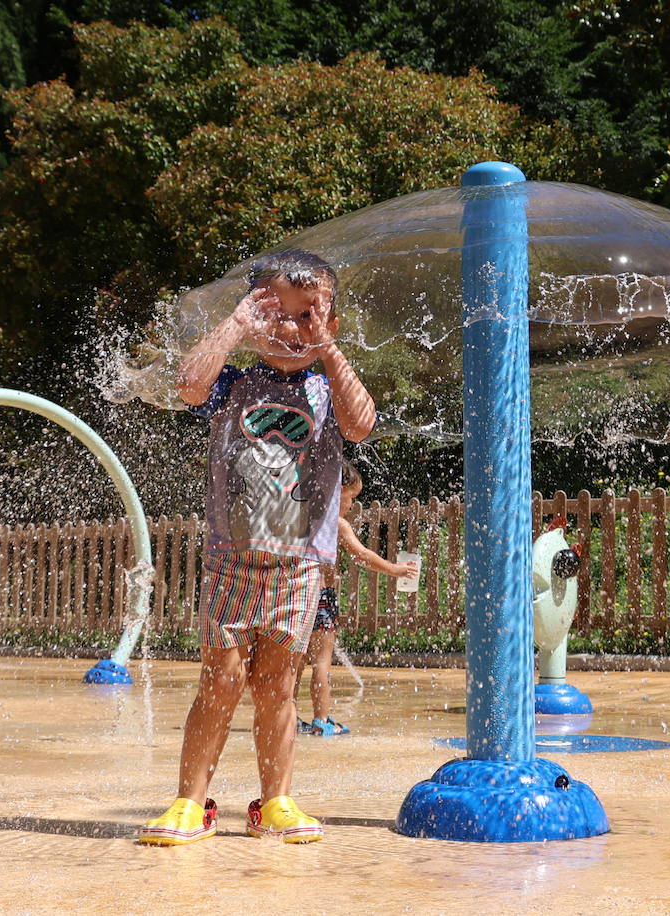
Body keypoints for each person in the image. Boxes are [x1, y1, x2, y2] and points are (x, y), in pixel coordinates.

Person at [138, 250, 375, 847]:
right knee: (220, 680)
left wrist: (329, 349)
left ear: (329, 324)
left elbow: (362, 424)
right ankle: (191, 801)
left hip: (297, 565)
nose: (290, 328)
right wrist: (236, 324)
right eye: (276, 313)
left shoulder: (326, 387)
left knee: (277, 687)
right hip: (232, 558)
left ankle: (276, 800)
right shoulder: (232, 385)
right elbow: (187, 385)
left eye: (306, 316)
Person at [295, 460, 418, 737]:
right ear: (337, 491)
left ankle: (286, 716)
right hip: (322, 598)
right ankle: (321, 720)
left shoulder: (301, 516)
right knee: (322, 662)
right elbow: (362, 555)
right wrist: (395, 569)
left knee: (296, 663)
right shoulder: (335, 523)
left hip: (297, 596)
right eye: (351, 498)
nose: (351, 505)